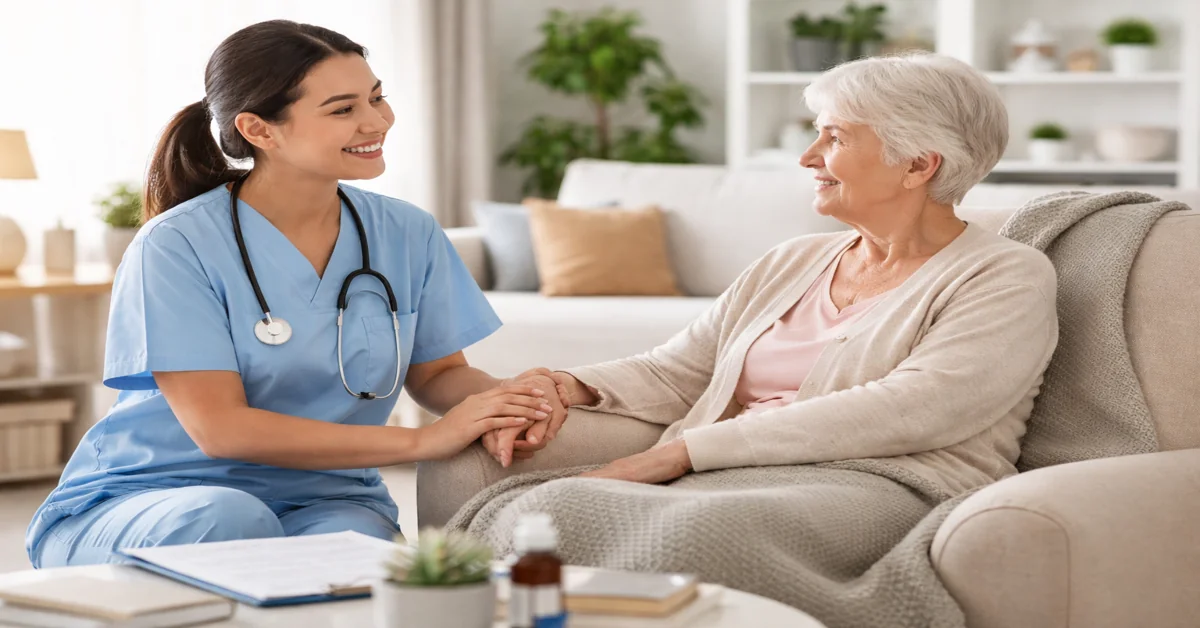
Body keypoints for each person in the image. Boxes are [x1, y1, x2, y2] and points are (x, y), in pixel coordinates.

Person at [419, 52, 1060, 528]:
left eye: (834, 137)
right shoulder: (794, 260)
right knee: (544, 500)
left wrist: (680, 456)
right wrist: (568, 385)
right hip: (744, 470)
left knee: (668, 524)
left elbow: (913, 407)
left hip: (885, 481)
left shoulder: (1004, 275)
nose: (808, 157)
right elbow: (680, 370)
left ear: (919, 164)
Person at [26, 20, 567, 568]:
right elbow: (222, 429)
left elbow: (437, 374)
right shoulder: (176, 245)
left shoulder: (407, 232)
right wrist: (425, 443)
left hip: (323, 494)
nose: (377, 121)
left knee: (359, 558)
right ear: (260, 130)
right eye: (343, 109)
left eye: (377, 98)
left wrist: (510, 400)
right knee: (233, 522)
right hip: (156, 497)